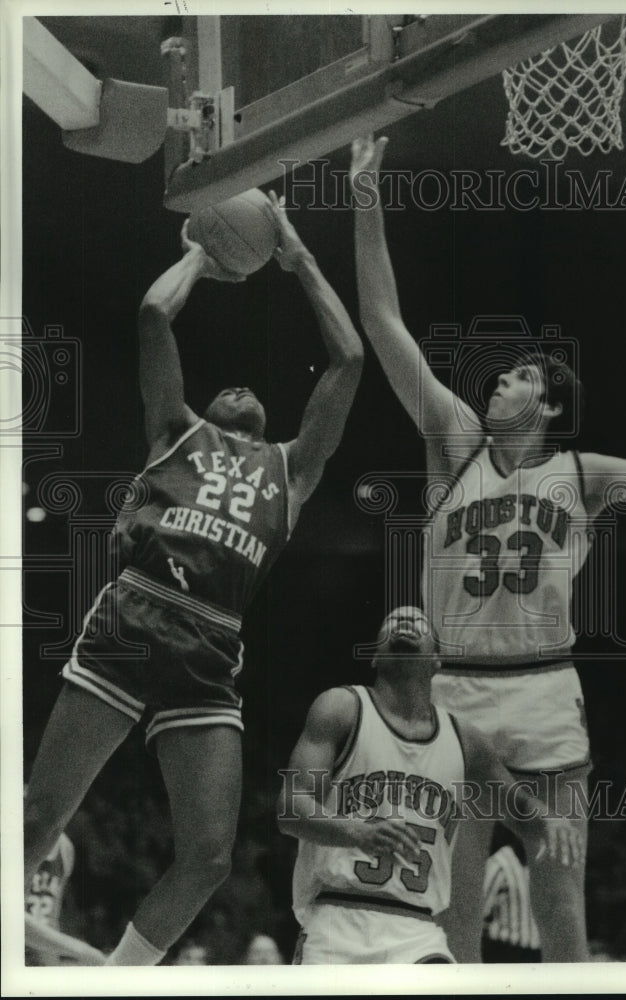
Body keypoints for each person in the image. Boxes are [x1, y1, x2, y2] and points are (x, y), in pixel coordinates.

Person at [350, 134, 626, 962]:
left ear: (550, 403)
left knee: (558, 890)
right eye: (497, 377)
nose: (498, 382)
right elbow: (382, 321)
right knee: (452, 902)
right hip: (453, 691)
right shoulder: (453, 443)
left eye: (520, 377)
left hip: (543, 691)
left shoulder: (582, 473)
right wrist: (364, 197)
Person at [23, 191, 364, 966]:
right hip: (135, 621)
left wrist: (299, 257)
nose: (240, 387)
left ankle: (115, 980)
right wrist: (202, 258)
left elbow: (348, 360)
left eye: (253, 392)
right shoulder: (174, 431)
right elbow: (153, 314)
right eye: (228, 388)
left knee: (210, 856)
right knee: (42, 813)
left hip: (209, 654)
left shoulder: (292, 469)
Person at [277, 605, 583, 965]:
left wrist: (548, 820)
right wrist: (357, 832)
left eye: (418, 623)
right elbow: (290, 810)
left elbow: (521, 812)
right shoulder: (341, 708)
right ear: (375, 656)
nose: (405, 621)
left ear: (437, 660)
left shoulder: (465, 739)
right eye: (392, 621)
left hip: (418, 932)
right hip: (336, 918)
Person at [25, 828, 105, 966]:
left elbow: (51, 918)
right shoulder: (13, 839)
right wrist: (83, 950)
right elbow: (9, 920)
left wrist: (52, 965)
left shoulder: (65, 848)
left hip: (40, 950)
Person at [481, 826, 541, 963]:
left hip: (535, 954)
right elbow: (478, 913)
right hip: (505, 951)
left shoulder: (543, 865)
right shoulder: (500, 863)